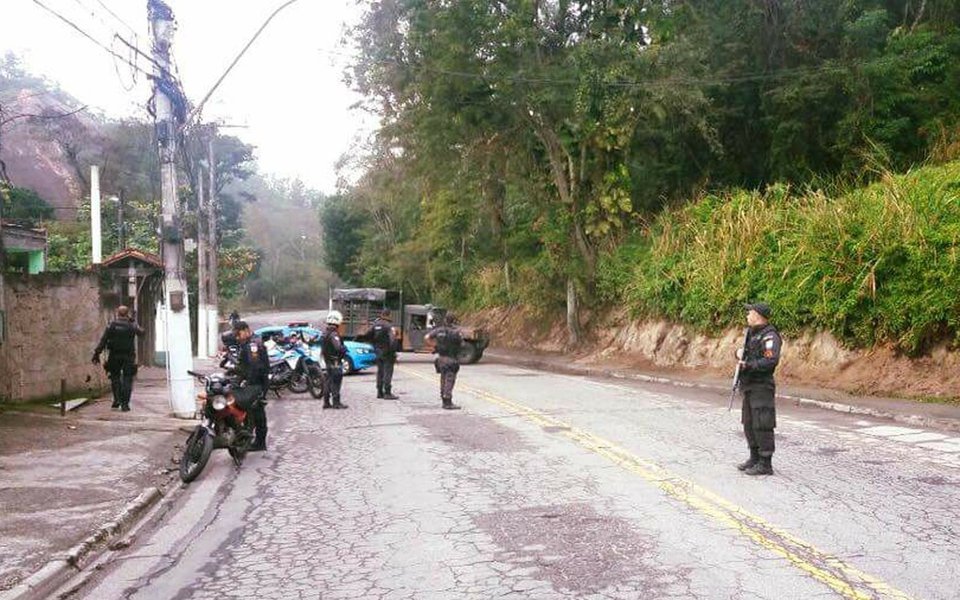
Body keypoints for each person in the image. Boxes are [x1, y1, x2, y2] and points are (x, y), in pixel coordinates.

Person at [736, 302, 783, 476]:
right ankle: (754, 457)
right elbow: (746, 353)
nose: (747, 315)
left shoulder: (770, 336)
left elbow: (771, 361)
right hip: (749, 385)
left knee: (762, 422)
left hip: (761, 386)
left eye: (750, 313)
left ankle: (765, 463)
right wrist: (739, 354)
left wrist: (749, 365)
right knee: (749, 422)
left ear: (757, 315)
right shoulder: (752, 334)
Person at [92, 306, 144, 412]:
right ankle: (125, 404)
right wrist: (134, 322)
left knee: (115, 378)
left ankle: (117, 400)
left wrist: (97, 353)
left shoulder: (112, 325)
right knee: (127, 379)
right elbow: (142, 333)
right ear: (127, 313)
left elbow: (103, 340)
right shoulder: (131, 325)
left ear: (118, 313)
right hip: (128, 356)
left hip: (114, 355)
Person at [232, 320, 270, 452]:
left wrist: (249, 385)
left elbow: (254, 367)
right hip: (256, 382)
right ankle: (251, 438)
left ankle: (260, 442)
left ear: (245, 330)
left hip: (257, 383)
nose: (237, 337)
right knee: (251, 410)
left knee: (257, 411)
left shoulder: (252, 345)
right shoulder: (249, 343)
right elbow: (244, 366)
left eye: (238, 334)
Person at [425, 314, 463, 410]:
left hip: (441, 358)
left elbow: (426, 337)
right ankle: (447, 401)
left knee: (443, 378)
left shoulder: (439, 330)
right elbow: (462, 344)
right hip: (451, 358)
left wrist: (435, 346)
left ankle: (443, 398)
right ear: (453, 321)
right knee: (450, 380)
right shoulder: (455, 332)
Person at [364, 309, 400, 399]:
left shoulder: (375, 325)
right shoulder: (389, 326)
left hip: (378, 352)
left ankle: (379, 392)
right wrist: (393, 351)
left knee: (380, 372)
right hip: (387, 352)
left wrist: (374, 347)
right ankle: (387, 393)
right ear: (388, 315)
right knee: (388, 372)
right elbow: (393, 339)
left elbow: (367, 335)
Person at [321, 311, 348, 409]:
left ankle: (326, 402)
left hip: (328, 360)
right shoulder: (334, 334)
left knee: (328, 380)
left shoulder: (325, 332)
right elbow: (337, 347)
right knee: (336, 380)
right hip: (335, 361)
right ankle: (336, 403)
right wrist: (343, 349)